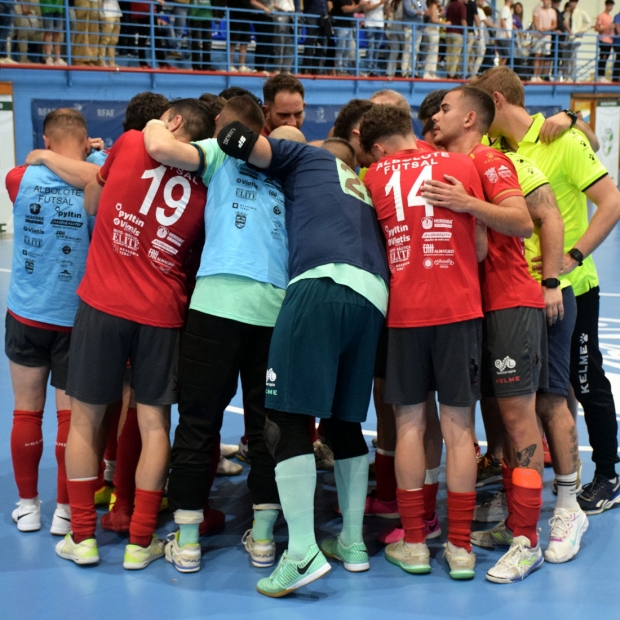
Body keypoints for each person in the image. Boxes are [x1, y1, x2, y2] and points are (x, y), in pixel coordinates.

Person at [214, 118, 388, 597]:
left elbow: (234, 138)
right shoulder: (358, 189)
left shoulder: (305, 157)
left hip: (320, 284)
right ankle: (351, 544)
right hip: (373, 297)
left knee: (285, 417)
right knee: (343, 423)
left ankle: (302, 553)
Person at [55, 99, 211, 569]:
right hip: (162, 311)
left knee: (85, 418)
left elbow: (93, 202)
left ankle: (82, 536)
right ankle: (141, 543)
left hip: (104, 301)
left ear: (174, 122)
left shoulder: (128, 142)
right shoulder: (205, 181)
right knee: (154, 424)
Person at [143, 95, 287, 574]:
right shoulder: (283, 159)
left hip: (215, 305)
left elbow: (164, 149)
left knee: (198, 421)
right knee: (266, 429)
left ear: (225, 122)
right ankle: (264, 540)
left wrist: (151, 122)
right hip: (272, 308)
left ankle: (185, 541)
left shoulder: (218, 148)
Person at [471, 67, 620, 517]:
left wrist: (569, 259)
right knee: (521, 389)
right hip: (516, 289)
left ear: (495, 101)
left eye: (478, 107)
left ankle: (608, 475)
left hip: (570, 285)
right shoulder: (492, 151)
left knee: (581, 378)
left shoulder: (561, 139)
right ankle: (520, 475)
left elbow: (612, 202)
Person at [426, 86, 554, 582]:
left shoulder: (489, 159)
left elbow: (523, 222)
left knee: (519, 417)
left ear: (472, 118)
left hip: (509, 301)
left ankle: (528, 540)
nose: (437, 114)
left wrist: (466, 203)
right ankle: (511, 525)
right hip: (471, 307)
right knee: (493, 420)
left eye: (445, 108)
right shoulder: (447, 163)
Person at [362, 104, 486, 580]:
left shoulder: (372, 176)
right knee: (459, 429)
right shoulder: (459, 163)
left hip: (405, 312)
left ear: (376, 145)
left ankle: (414, 542)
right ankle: (459, 549)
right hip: (457, 308)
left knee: (409, 425)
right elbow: (477, 248)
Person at [4, 108, 95, 536]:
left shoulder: (18, 178)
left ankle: (28, 506)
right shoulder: (97, 174)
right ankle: (63, 509)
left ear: (45, 138)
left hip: (27, 314)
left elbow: (26, 166)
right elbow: (100, 170)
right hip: (74, 318)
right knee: (70, 421)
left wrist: (40, 156)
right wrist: (92, 154)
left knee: (26, 412)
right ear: (86, 139)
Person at [531, 0, 557, 81]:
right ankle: (534, 75)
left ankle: (539, 75)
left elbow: (554, 25)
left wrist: (546, 29)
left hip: (547, 37)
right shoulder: (537, 9)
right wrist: (538, 29)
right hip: (538, 36)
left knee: (543, 56)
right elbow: (535, 20)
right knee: (537, 55)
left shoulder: (553, 11)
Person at [363, 0, 387, 76]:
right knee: (371, 46)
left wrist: (386, 5)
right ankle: (369, 69)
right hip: (370, 24)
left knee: (377, 48)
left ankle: (374, 69)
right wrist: (380, 3)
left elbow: (386, 12)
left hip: (380, 25)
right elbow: (365, 8)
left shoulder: (419, 1)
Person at [187, 0, 213, 71]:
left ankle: (206, 66)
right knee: (196, 43)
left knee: (207, 43)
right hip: (195, 16)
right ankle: (196, 66)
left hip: (207, 16)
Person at [445, 0, 467, 78]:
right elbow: (463, 21)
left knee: (449, 53)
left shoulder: (450, 5)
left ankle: (448, 72)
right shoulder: (462, 6)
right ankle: (452, 74)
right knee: (455, 54)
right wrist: (466, 33)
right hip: (458, 33)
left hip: (449, 32)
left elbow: (447, 18)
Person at [273, 0, 295, 73]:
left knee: (290, 43)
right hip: (280, 14)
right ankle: (277, 68)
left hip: (292, 15)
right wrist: (281, 9)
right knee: (280, 42)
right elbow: (271, 3)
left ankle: (286, 69)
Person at [595, 0, 615, 81]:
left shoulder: (610, 17)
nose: (611, 7)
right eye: (610, 5)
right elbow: (597, 28)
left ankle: (602, 75)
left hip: (609, 40)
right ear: (606, 5)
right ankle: (600, 75)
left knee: (606, 57)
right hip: (603, 39)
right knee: (602, 57)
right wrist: (607, 28)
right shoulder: (601, 16)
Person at [99, 0, 122, 67]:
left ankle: (111, 62)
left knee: (114, 40)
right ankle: (101, 61)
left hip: (117, 12)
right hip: (107, 13)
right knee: (105, 39)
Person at [422, 0, 441, 78]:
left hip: (428, 29)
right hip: (432, 29)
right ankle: (429, 73)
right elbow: (433, 19)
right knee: (432, 51)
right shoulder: (433, 4)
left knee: (431, 51)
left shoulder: (427, 4)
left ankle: (430, 72)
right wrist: (444, 23)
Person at [495, 0, 513, 67]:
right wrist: (507, 33)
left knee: (502, 55)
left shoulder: (504, 9)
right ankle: (500, 71)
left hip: (500, 36)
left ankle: (499, 70)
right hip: (504, 36)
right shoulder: (506, 9)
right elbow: (502, 21)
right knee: (506, 55)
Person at [613, 5, 620, 81]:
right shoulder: (617, 16)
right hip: (618, 42)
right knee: (618, 59)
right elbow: (617, 26)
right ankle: (615, 77)